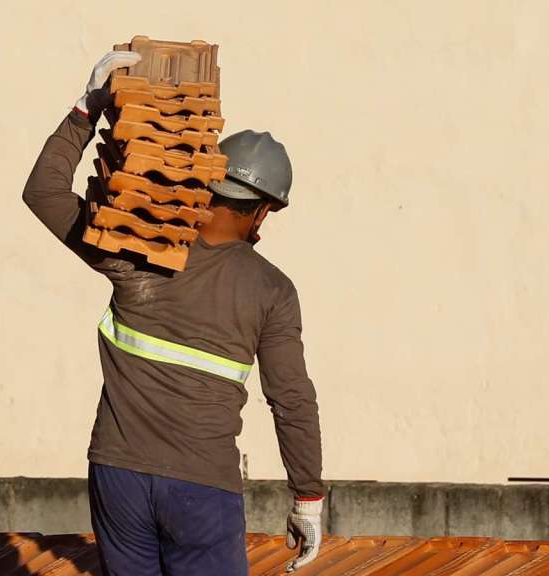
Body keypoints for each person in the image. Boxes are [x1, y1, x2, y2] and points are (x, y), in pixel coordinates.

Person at [23, 50, 324, 575]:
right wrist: (307, 498)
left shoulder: (136, 248)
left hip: (117, 475)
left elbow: (43, 192)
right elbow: (291, 399)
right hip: (202, 489)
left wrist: (87, 109)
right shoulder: (272, 290)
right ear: (261, 210)